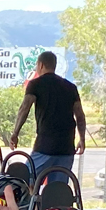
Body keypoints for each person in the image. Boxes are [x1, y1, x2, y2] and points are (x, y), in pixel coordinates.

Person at [9, 51, 86, 184]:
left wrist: (15, 133)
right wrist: (82, 139)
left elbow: (24, 108)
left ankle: (32, 198)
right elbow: (80, 115)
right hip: (67, 147)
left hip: (45, 145)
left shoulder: (35, 84)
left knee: (25, 180)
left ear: (41, 65)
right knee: (57, 188)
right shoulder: (70, 87)